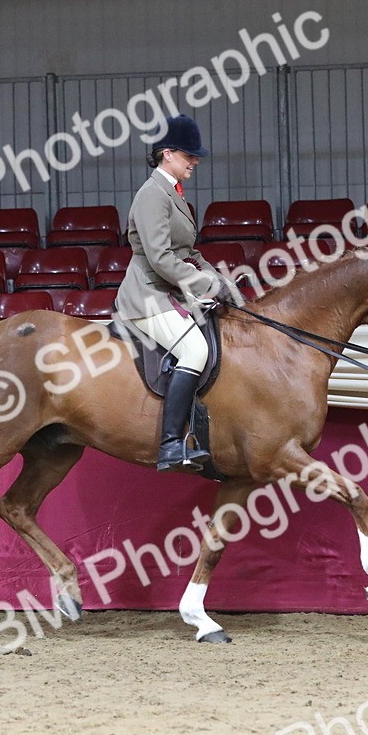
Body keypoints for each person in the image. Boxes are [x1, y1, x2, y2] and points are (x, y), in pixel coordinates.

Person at [115, 113, 238, 473]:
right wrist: (207, 285)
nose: (195, 162)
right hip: (148, 293)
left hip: (172, 290)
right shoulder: (153, 195)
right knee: (195, 349)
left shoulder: (173, 194)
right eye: (190, 156)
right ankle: (170, 444)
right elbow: (161, 258)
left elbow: (190, 253)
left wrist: (220, 281)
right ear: (167, 154)